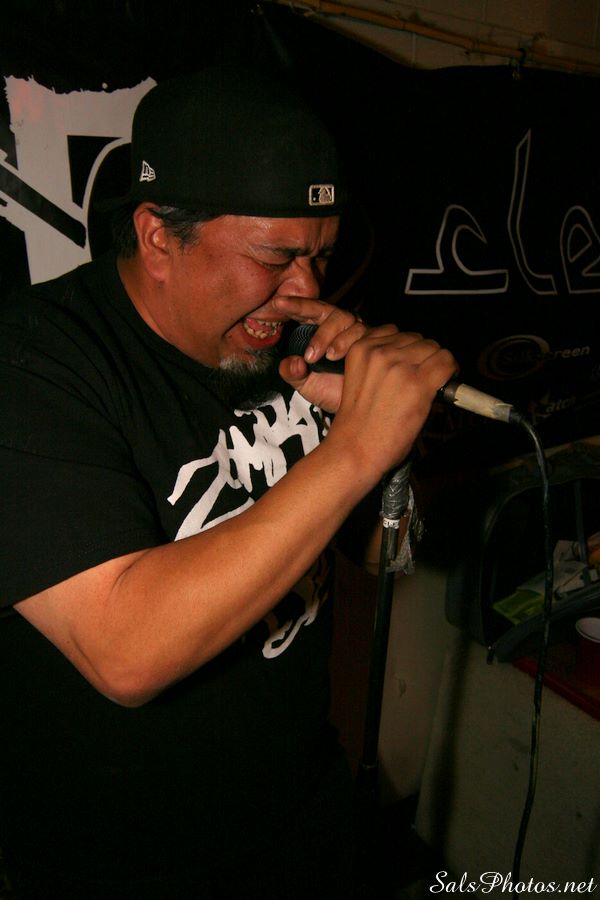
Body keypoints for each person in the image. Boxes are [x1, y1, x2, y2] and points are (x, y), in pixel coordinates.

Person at [0, 66, 456, 899]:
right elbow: (125, 651)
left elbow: (380, 556)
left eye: (320, 256)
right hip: (124, 869)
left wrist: (387, 451)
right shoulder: (37, 362)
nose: (306, 290)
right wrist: (355, 450)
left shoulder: (282, 350)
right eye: (274, 257)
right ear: (157, 237)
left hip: (301, 814)